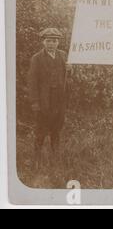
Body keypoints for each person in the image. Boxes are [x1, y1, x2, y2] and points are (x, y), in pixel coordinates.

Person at [28, 28, 71, 165]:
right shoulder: (37, 58)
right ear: (43, 42)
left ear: (58, 42)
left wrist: (70, 70)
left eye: (54, 41)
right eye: (48, 41)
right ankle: (37, 156)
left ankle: (55, 154)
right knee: (41, 127)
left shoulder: (63, 56)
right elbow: (32, 81)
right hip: (44, 99)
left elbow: (68, 79)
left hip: (59, 98)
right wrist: (35, 102)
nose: (51, 44)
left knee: (57, 126)